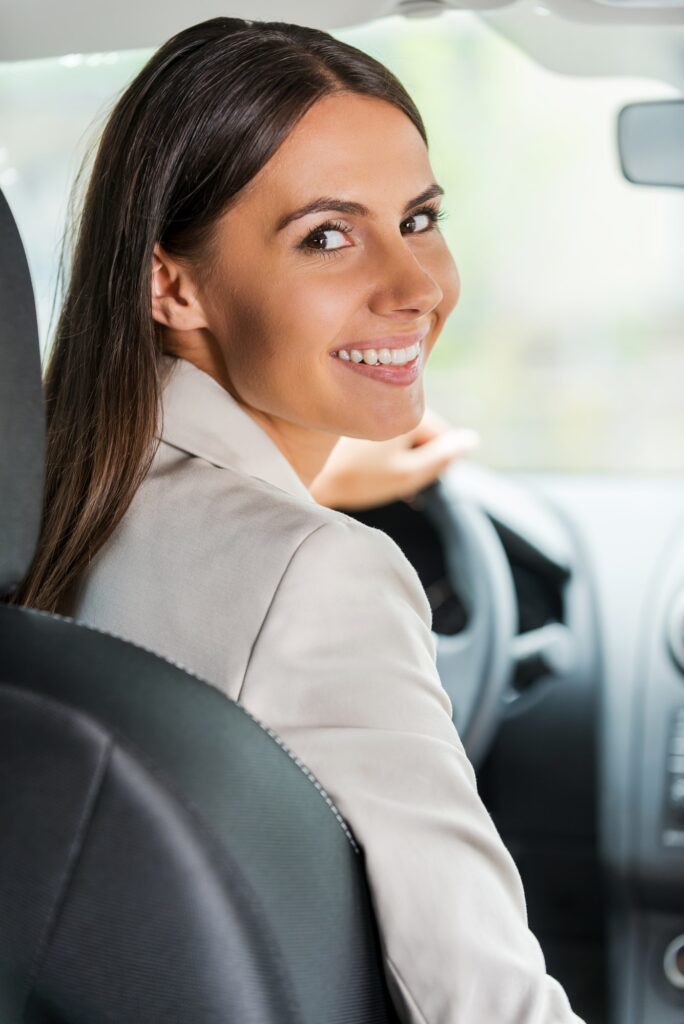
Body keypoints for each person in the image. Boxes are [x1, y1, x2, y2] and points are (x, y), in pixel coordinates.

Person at [13, 17, 585, 1023]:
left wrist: (313, 477)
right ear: (172, 283)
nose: (414, 287)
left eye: (418, 218)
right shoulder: (323, 577)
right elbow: (480, 997)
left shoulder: (53, 496)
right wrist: (309, 521)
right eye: (327, 236)